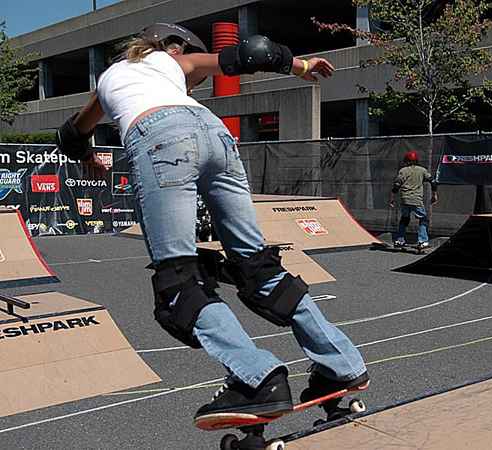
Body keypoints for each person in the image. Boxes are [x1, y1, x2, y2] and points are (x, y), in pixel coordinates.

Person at [55, 23, 368, 421]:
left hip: (160, 138)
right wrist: (301, 66)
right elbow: (248, 54)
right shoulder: (173, 60)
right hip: (215, 136)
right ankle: (342, 365)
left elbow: (72, 133)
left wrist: (86, 157)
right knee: (257, 266)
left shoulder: (107, 82)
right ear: (172, 46)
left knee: (178, 279)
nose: (193, 81)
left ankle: (258, 379)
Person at [388, 150, 439, 249]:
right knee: (423, 219)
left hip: (405, 199)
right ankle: (422, 241)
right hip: (416, 199)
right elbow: (433, 182)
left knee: (404, 219)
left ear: (406, 160)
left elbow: (396, 185)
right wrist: (434, 195)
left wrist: (392, 198)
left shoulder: (403, 171)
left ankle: (400, 240)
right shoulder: (422, 170)